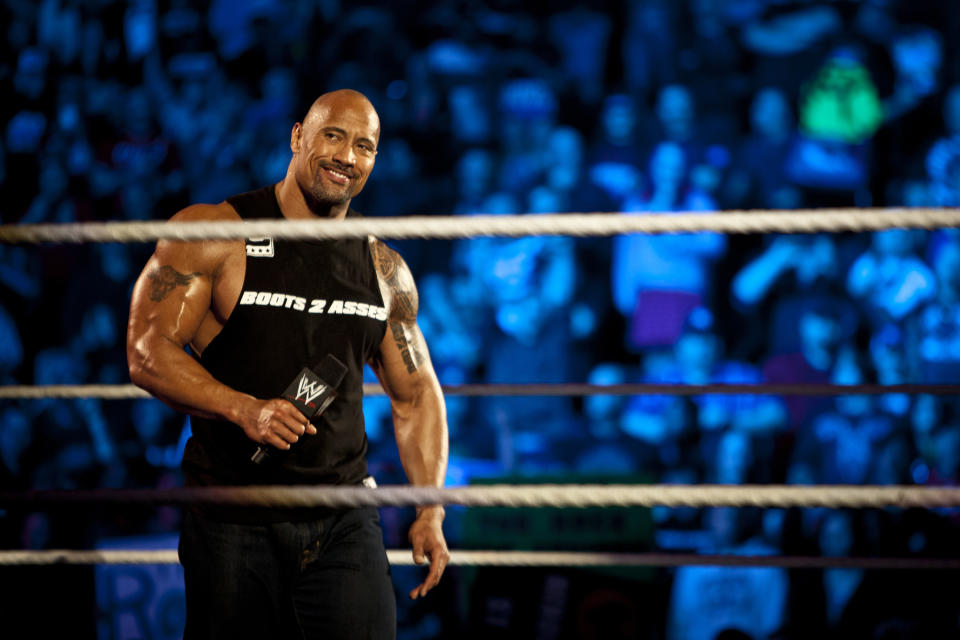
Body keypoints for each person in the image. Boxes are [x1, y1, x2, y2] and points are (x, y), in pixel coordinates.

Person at [126, 89, 449, 639]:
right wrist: (241, 409)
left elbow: (416, 395)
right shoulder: (215, 234)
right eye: (333, 135)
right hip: (233, 517)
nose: (348, 156)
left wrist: (430, 509)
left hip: (344, 517)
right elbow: (146, 352)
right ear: (297, 136)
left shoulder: (383, 269)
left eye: (365, 146)